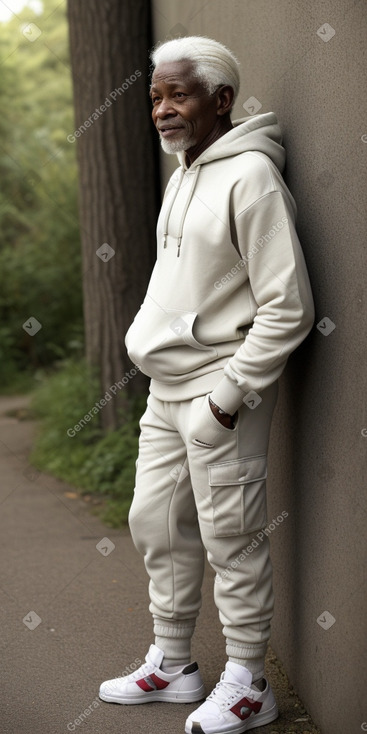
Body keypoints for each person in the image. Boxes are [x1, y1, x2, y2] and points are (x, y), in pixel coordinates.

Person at [99, 35, 314, 734]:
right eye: (155, 97)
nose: (162, 109)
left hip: (221, 393)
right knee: (154, 523)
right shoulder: (184, 174)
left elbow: (289, 307)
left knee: (232, 536)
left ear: (221, 100)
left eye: (178, 94)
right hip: (166, 392)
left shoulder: (250, 177)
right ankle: (172, 663)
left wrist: (228, 398)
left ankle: (250, 682)